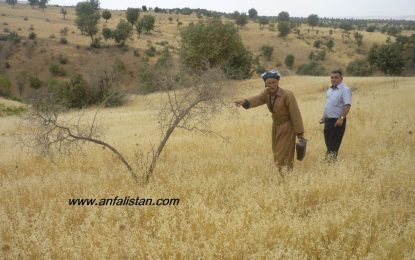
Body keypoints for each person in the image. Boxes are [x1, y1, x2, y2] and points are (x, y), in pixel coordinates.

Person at [235, 70, 305, 170]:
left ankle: (286, 175)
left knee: (284, 152)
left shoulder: (287, 95)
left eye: (274, 82)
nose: (272, 85)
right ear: (265, 84)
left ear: (278, 82)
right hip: (276, 126)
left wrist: (299, 133)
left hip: (287, 127)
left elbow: (295, 114)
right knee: (276, 152)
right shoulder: (266, 93)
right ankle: (282, 174)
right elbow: (257, 99)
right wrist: (244, 102)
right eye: (269, 83)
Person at [319, 70, 352, 161]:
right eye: (332, 77)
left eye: (336, 77)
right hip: (328, 121)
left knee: (333, 145)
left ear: (341, 78)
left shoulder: (345, 90)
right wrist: (324, 116)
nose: (333, 79)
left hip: (337, 121)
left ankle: (328, 163)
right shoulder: (330, 89)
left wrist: (341, 118)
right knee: (329, 144)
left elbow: (347, 105)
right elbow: (328, 105)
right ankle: (331, 162)